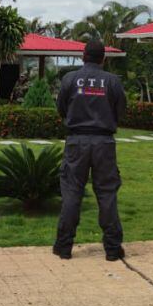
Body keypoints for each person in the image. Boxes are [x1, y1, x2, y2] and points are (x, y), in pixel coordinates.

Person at [54, 39, 127, 261]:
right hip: (104, 143)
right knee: (106, 194)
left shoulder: (70, 79)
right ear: (103, 58)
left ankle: (64, 247)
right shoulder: (112, 81)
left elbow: (61, 108)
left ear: (83, 56)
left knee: (72, 192)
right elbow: (121, 110)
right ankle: (113, 249)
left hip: (77, 142)